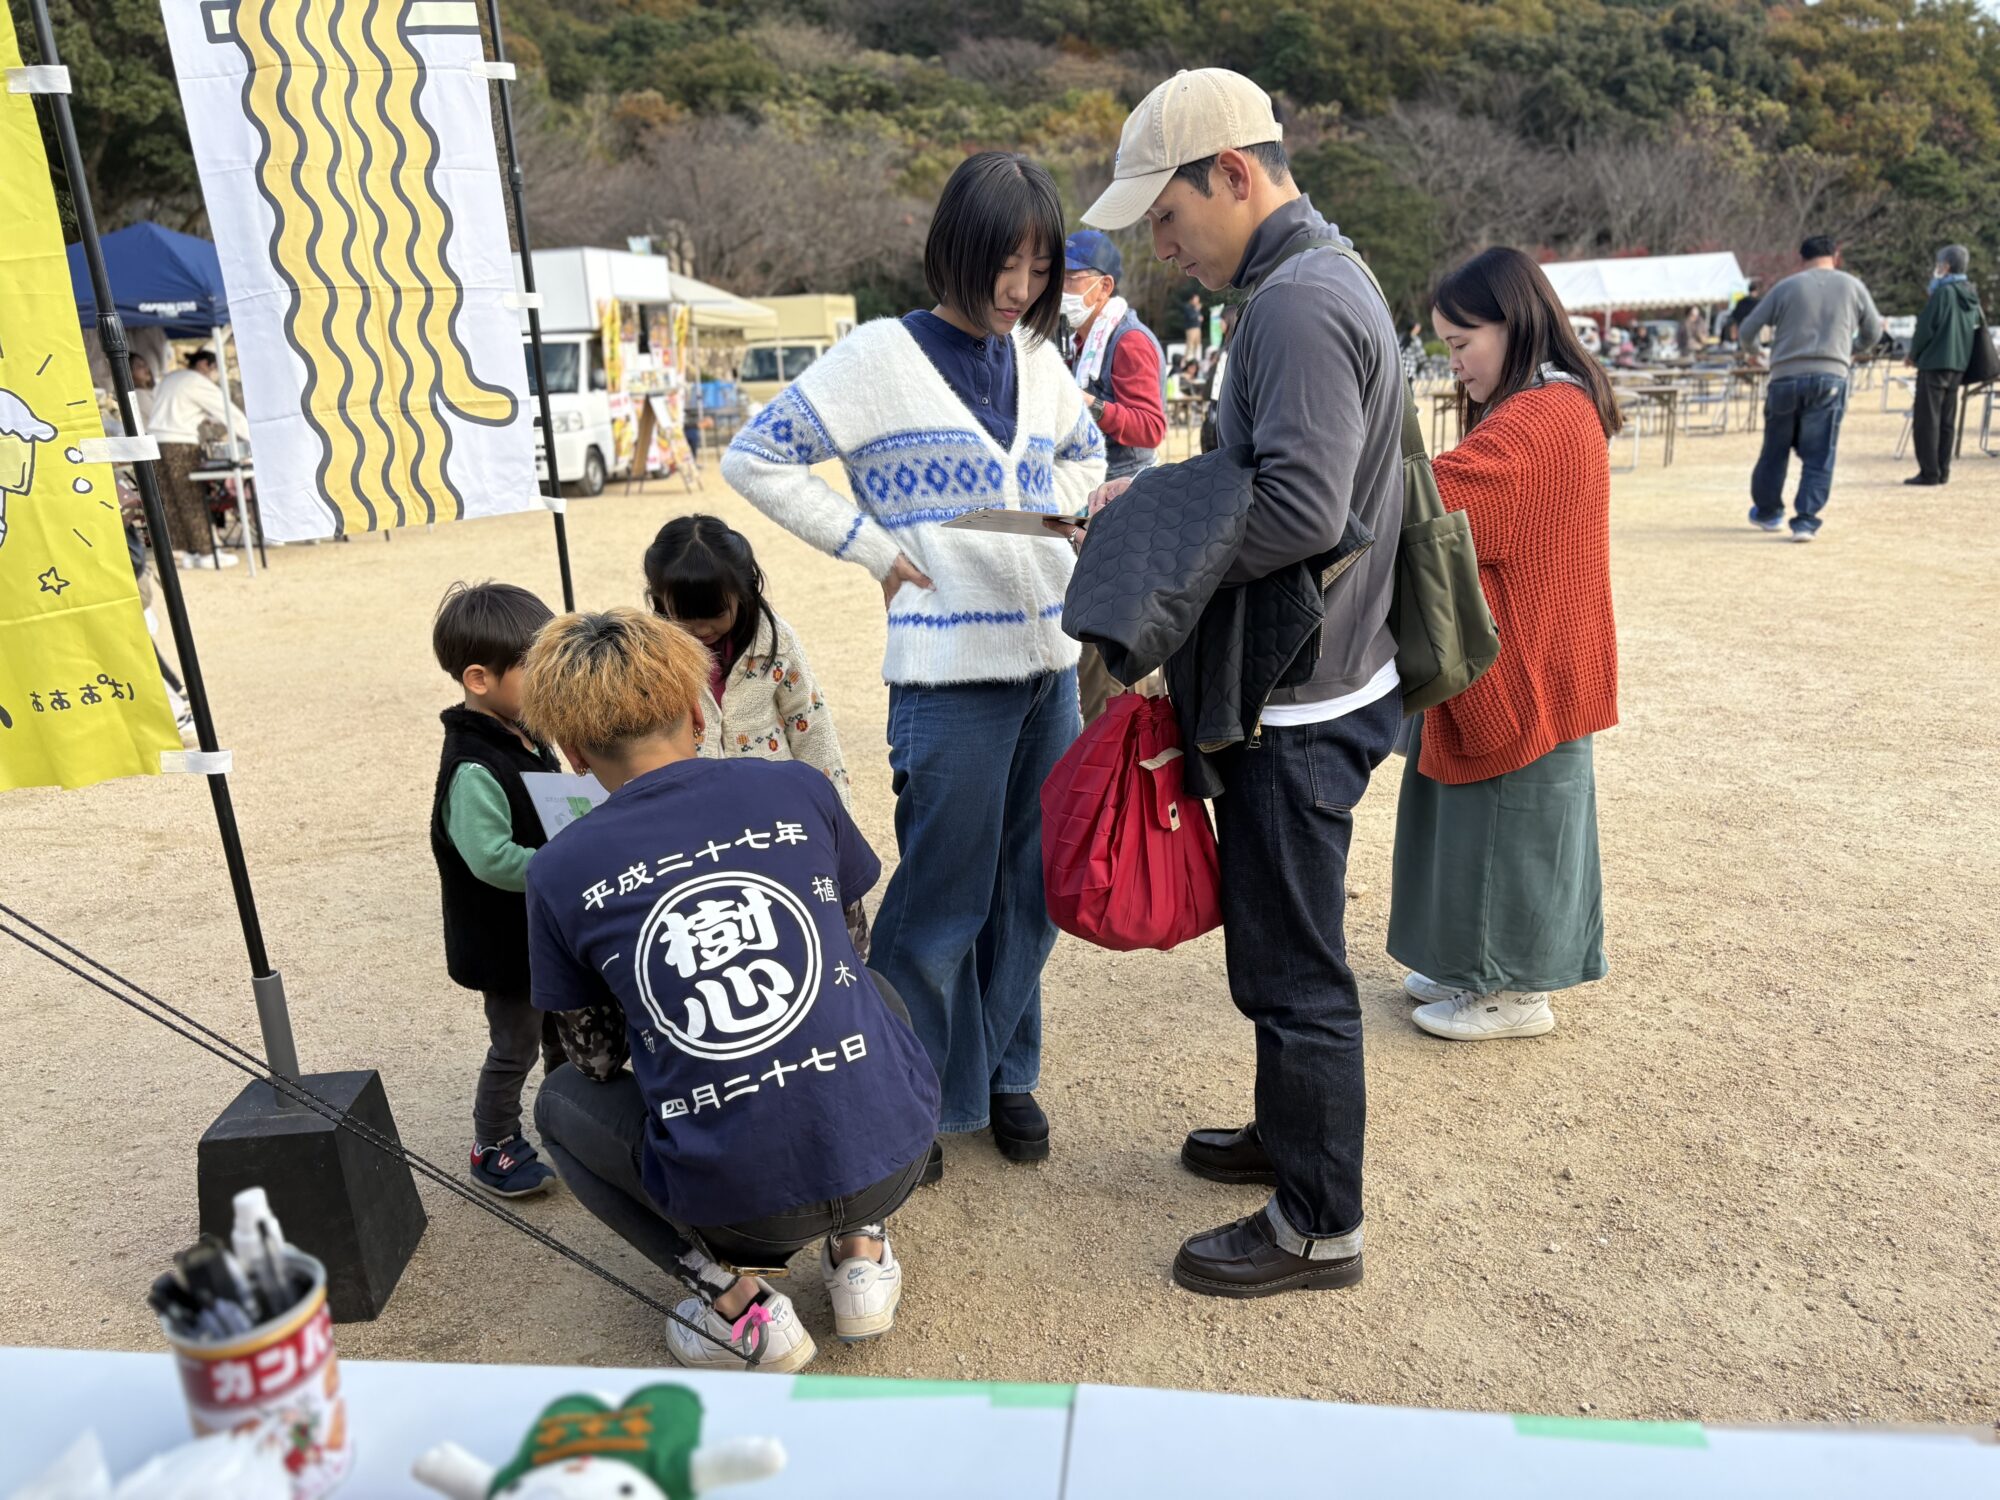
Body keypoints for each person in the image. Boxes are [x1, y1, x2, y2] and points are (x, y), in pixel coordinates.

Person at [1082, 67, 1404, 1299]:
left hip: (1302, 690)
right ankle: (1288, 1141)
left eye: (1164, 219)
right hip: (1319, 669)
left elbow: (1297, 509)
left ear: (1232, 174)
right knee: (1281, 945)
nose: (1160, 248)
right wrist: (1155, 503)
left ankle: (1318, 1226)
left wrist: (1143, 518)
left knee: (1291, 966)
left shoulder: (1292, 303)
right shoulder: (1314, 275)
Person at [722, 151, 1104, 1168]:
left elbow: (1087, 450)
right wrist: (875, 550)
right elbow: (754, 456)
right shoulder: (877, 357)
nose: (1017, 289)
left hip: (1046, 669)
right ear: (952, 251)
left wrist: (1057, 515)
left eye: (1036, 268)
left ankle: (1007, 1074)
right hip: (945, 680)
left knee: (1031, 891)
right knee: (939, 904)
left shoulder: (1036, 359)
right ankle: (912, 1093)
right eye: (1000, 265)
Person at [520, 608, 941, 1372]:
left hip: (744, 1214)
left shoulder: (558, 869)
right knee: (872, 991)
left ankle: (737, 1305)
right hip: (895, 1163)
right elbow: (849, 946)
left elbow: (594, 1058)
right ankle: (860, 1254)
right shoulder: (799, 789)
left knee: (557, 1107)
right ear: (694, 710)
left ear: (573, 754)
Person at [1389, 248, 1620, 1041]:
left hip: (1526, 654)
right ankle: (1470, 962)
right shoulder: (1553, 400)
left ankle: (1512, 989)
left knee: (1509, 826)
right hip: (1534, 643)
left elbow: (1449, 498)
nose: (1455, 364)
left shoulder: (1543, 412)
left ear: (1513, 324)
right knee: (1481, 821)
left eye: (1462, 343)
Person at [642, 513, 872, 957]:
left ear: (745, 590)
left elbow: (811, 723)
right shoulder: (650, 651)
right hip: (694, 815)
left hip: (774, 807)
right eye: (685, 617)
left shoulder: (775, 641)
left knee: (796, 913)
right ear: (659, 599)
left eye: (714, 615)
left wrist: (836, 815)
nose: (702, 630)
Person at [428, 581, 564, 1199]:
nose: (548, 683)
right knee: (516, 1043)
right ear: (479, 679)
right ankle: (494, 1143)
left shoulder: (527, 731)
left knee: (570, 1025)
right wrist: (567, 861)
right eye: (533, 671)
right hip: (506, 941)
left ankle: (573, 1119)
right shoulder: (473, 765)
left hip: (547, 926)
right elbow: (491, 859)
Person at [1061, 228, 1168, 723]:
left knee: (1113, 640)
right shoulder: (1081, 341)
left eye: (1071, 278)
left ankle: (1123, 746)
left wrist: (1090, 404)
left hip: (1122, 506)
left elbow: (1150, 429)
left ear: (1103, 286)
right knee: (1091, 640)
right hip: (1087, 503)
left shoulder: (1129, 342)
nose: (1061, 289)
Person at [1733, 236, 1883, 542]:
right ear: (1836, 256)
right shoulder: (1853, 286)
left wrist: (1753, 351)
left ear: (1800, 258)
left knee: (1774, 449)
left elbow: (1748, 328)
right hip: (1831, 375)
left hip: (1785, 375)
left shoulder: (1787, 287)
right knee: (1819, 452)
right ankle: (1805, 520)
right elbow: (1874, 331)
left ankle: (1767, 511)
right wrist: (1851, 349)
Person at [148, 349, 249, 569]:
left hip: (155, 441)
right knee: (190, 498)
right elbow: (229, 413)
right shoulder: (196, 382)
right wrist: (252, 439)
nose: (214, 376)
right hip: (180, 443)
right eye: (214, 370)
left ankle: (186, 552)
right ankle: (206, 553)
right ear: (205, 364)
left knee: (171, 500)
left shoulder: (171, 378)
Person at [1905, 244, 1986, 487]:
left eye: (1940, 264)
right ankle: (1943, 470)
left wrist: (1913, 354)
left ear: (1947, 266)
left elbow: (1925, 327)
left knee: (1927, 420)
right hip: (1958, 364)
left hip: (1935, 362)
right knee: (1947, 421)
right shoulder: (1970, 293)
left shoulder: (1944, 292)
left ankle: (1929, 473)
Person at [1179, 289, 1205, 360]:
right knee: (1190, 345)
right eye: (1196, 299)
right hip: (1191, 328)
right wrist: (1197, 312)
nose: (1197, 301)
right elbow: (1191, 316)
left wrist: (1200, 317)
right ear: (1192, 299)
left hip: (1197, 328)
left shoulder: (1196, 307)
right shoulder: (1188, 307)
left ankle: (1195, 359)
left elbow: (1198, 316)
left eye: (1198, 299)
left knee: (1197, 344)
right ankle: (1187, 359)